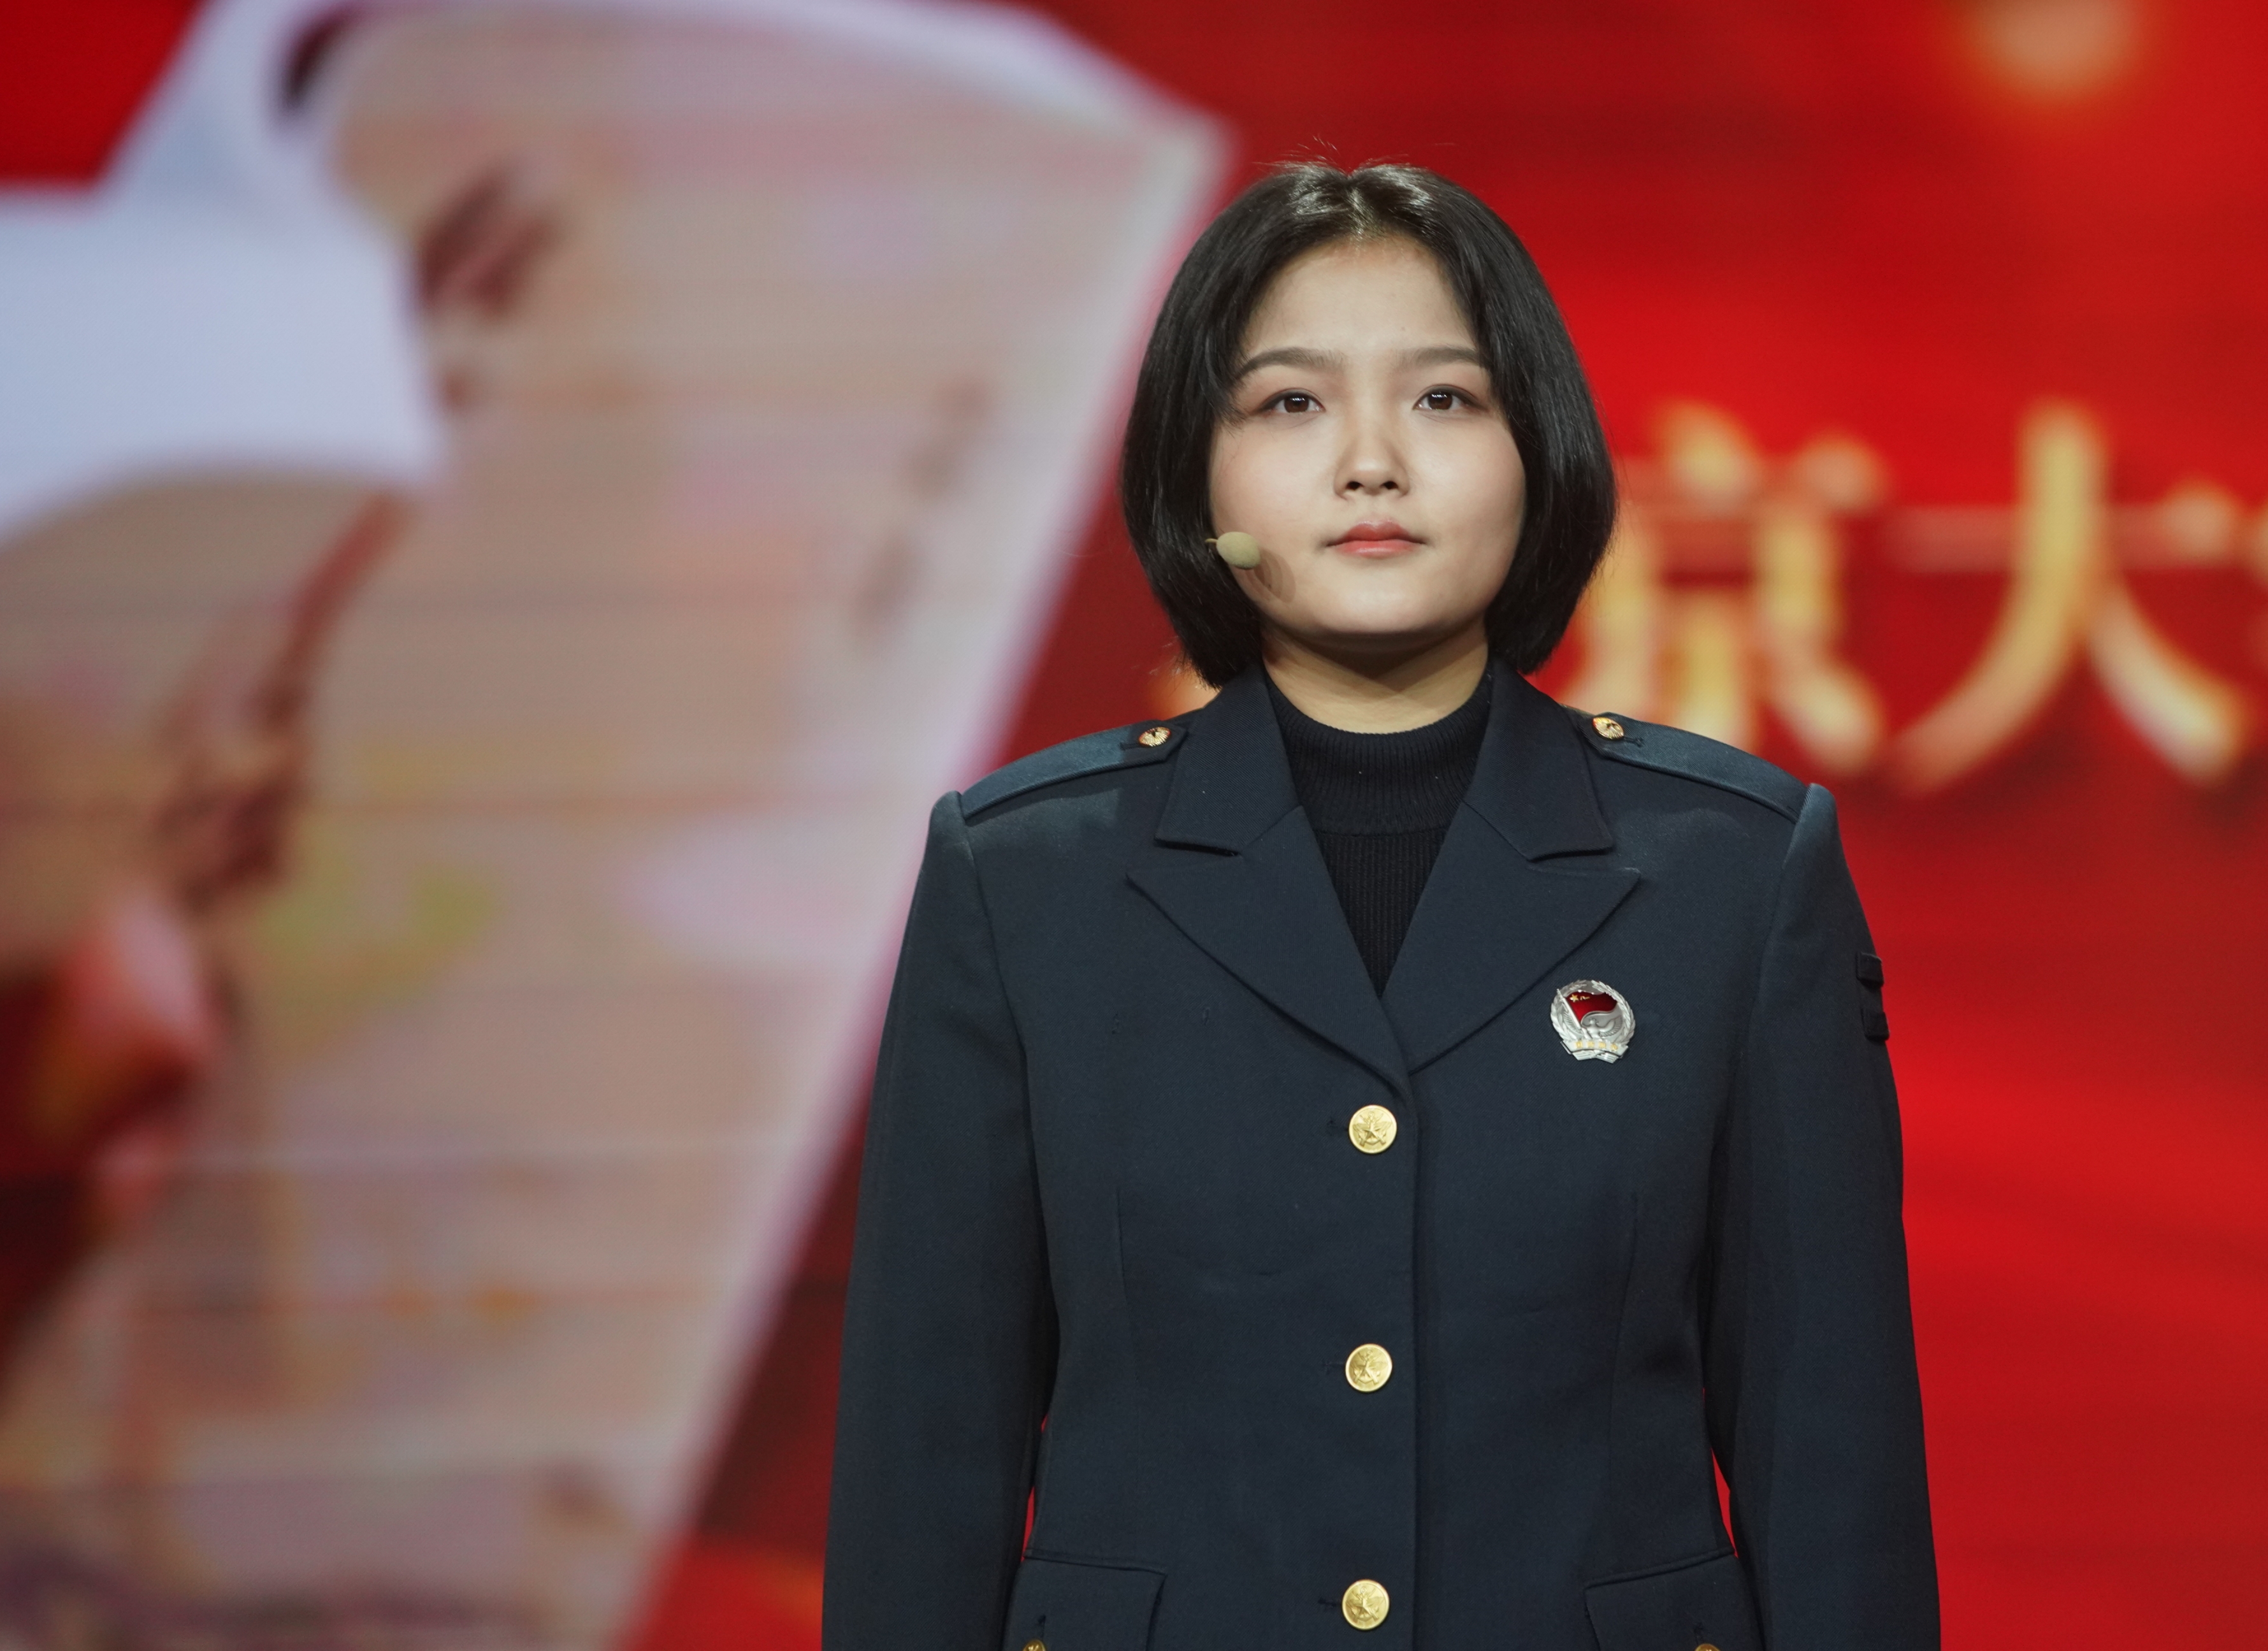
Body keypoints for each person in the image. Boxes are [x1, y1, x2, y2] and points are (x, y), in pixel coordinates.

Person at [823, 162, 1935, 1651]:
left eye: (1444, 399)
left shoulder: (1731, 872)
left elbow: (1833, 1462)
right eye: (1290, 403)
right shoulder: (1025, 878)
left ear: (1538, 452)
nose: (1369, 463)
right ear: (1196, 479)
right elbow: (926, 1462)